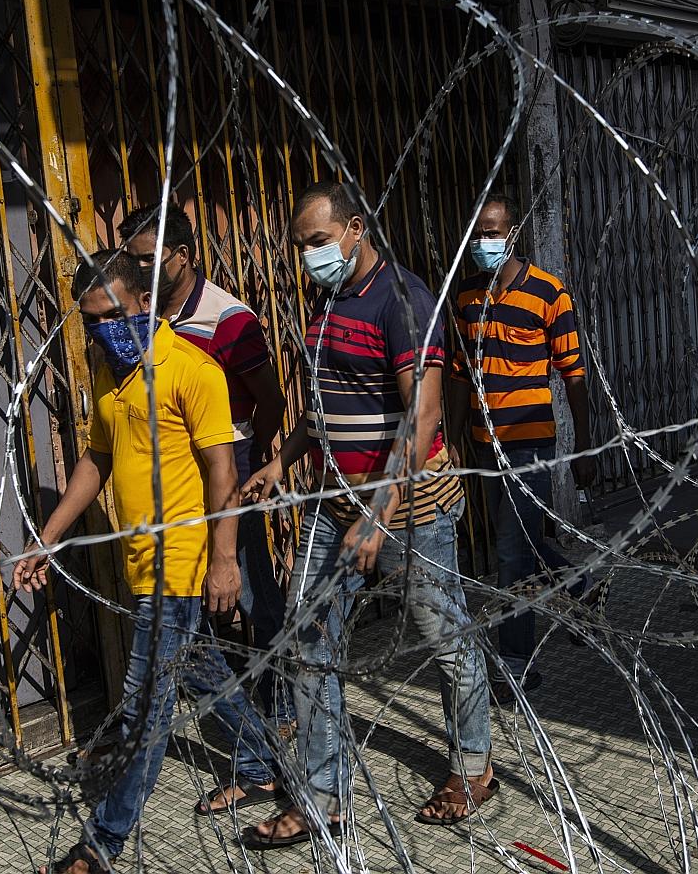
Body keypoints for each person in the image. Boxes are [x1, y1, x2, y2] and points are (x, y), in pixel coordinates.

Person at [240, 180, 497, 847]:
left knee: (444, 637)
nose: (307, 256)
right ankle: (321, 798)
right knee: (307, 643)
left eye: (317, 242)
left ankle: (474, 767)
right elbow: (325, 404)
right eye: (299, 246)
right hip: (334, 503)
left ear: (356, 229)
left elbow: (423, 418)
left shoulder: (404, 301)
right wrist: (283, 457)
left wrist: (375, 515)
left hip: (409, 507)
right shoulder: (326, 302)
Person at [10, 253, 282, 874]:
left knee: (144, 706)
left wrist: (222, 560)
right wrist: (47, 537)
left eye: (112, 315)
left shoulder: (192, 371)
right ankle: (261, 766)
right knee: (201, 670)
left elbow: (223, 471)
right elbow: (95, 459)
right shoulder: (111, 373)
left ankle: (101, 845)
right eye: (90, 320)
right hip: (142, 561)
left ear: (144, 303)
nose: (101, 329)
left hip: (183, 560)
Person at [118, 204, 296, 758]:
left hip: (226, 472)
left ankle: (279, 708)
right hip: (173, 480)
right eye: (132, 261)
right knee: (197, 607)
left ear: (184, 257)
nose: (138, 271)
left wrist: (254, 461)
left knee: (245, 588)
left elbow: (270, 399)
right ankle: (245, 727)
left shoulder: (228, 319)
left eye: (148, 261)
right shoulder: (142, 318)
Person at [447, 192, 595, 702]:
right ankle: (580, 586)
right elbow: (461, 373)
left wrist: (586, 445)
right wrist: (458, 433)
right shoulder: (466, 296)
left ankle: (515, 665)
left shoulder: (550, 294)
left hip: (531, 441)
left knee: (512, 554)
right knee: (522, 544)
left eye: (492, 232)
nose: (482, 242)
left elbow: (574, 376)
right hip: (486, 442)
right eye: (477, 233)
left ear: (514, 235)